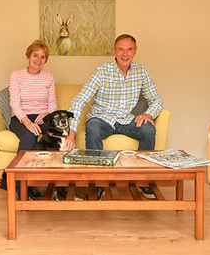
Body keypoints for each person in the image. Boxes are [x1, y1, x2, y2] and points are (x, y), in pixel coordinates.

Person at [65, 34, 164, 200]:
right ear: (115, 51)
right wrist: (72, 130)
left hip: (126, 119)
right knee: (92, 127)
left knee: (148, 128)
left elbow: (157, 101)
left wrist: (148, 114)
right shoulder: (102, 71)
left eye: (129, 49)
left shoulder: (141, 71)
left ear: (135, 51)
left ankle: (143, 182)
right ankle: (98, 184)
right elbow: (80, 100)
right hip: (102, 119)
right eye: (121, 49)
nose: (125, 54)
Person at [0, 39, 57, 192]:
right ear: (28, 56)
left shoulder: (49, 76)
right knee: (29, 137)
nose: (38, 60)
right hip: (20, 118)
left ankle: (57, 185)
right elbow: (15, 104)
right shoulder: (16, 75)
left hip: (42, 117)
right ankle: (19, 189)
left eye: (43, 57)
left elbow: (52, 104)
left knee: (57, 135)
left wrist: (46, 114)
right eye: (35, 55)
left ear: (46, 60)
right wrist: (27, 122)